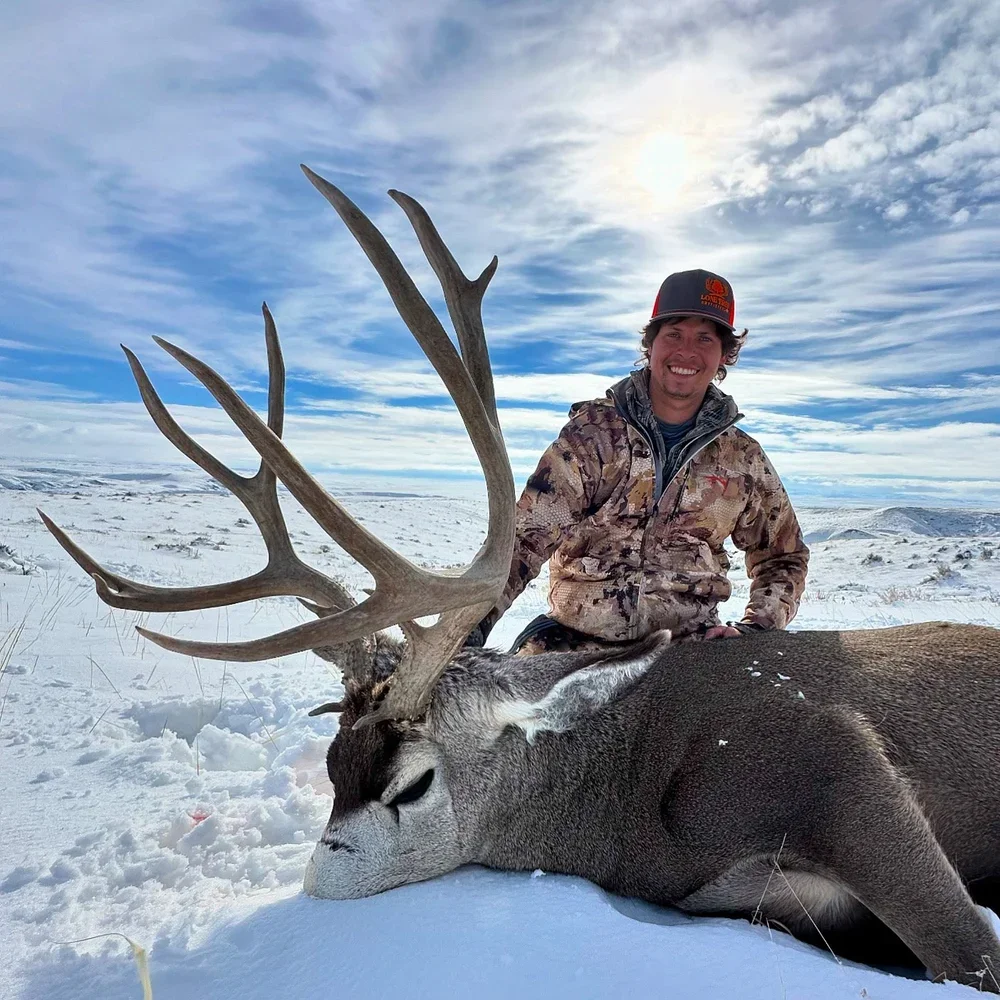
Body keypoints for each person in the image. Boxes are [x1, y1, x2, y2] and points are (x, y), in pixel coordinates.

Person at [470, 268, 809, 655]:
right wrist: (469, 629)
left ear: (723, 355)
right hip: (575, 647)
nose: (687, 352)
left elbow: (784, 555)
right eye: (674, 335)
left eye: (704, 338)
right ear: (651, 344)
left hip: (689, 653)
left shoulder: (743, 460)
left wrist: (757, 628)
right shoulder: (592, 436)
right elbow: (524, 542)